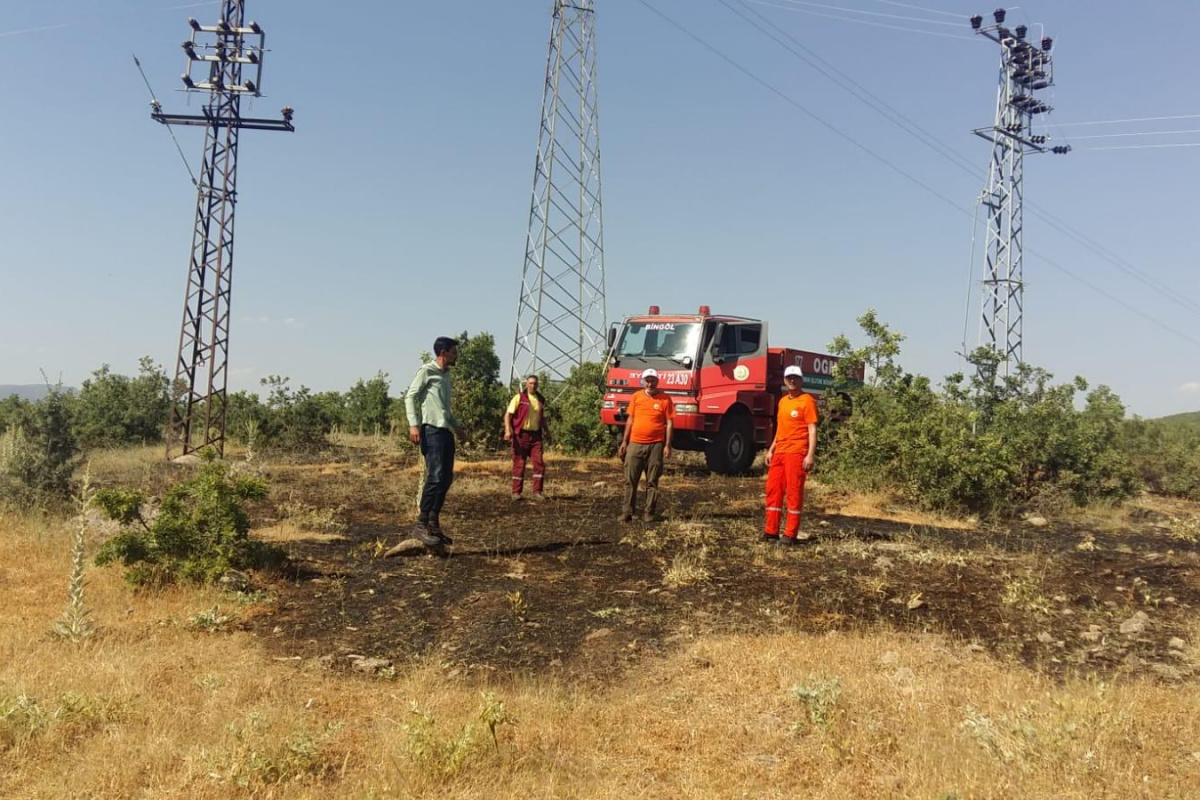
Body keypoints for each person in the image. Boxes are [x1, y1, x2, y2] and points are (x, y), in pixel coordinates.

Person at [404, 336, 463, 548]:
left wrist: (457, 426)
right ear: (444, 353)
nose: (457, 356)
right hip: (431, 431)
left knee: (446, 477)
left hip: (445, 430)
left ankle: (433, 522)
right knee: (436, 475)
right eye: (454, 352)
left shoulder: (446, 375)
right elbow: (410, 396)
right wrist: (413, 425)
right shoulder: (427, 370)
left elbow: (444, 408)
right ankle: (420, 524)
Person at [763, 365, 818, 545]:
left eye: (795, 377)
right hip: (780, 451)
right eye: (789, 378)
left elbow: (812, 428)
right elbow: (780, 428)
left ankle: (790, 534)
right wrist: (771, 449)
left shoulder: (807, 401)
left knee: (793, 492)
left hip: (796, 452)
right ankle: (771, 532)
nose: (792, 380)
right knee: (773, 490)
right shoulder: (783, 401)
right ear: (785, 380)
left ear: (801, 380)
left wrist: (810, 454)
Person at [618, 369, 674, 523]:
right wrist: (624, 441)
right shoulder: (636, 397)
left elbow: (669, 423)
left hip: (656, 445)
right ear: (643, 381)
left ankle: (649, 513)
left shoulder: (665, 399)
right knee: (630, 480)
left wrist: (667, 445)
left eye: (653, 380)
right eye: (647, 380)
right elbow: (630, 420)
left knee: (652, 481)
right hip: (635, 443)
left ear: (657, 381)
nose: (650, 383)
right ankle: (627, 512)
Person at [504, 374, 551, 500]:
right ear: (526, 384)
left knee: (539, 463)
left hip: (535, 436)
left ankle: (537, 492)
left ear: (538, 384)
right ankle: (516, 493)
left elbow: (542, 418)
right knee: (519, 463)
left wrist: (547, 432)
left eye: (535, 383)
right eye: (530, 383)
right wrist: (508, 431)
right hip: (521, 434)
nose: (533, 385)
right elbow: (508, 415)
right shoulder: (519, 397)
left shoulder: (540, 399)